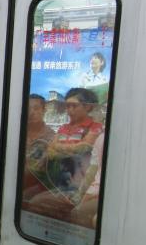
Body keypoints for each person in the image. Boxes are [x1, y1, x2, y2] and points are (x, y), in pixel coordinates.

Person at [27, 87, 102, 220]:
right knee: (27, 196)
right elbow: (50, 149)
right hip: (59, 182)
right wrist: (69, 149)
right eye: (67, 106)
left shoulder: (95, 127)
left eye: (74, 106)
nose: (69, 110)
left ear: (88, 107)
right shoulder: (64, 128)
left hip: (78, 186)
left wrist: (59, 148)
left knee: (35, 202)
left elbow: (85, 147)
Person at [22, 94, 55, 200]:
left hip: (37, 185)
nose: (31, 112)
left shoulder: (51, 137)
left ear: (44, 110)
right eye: (28, 109)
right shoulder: (15, 131)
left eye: (36, 108)